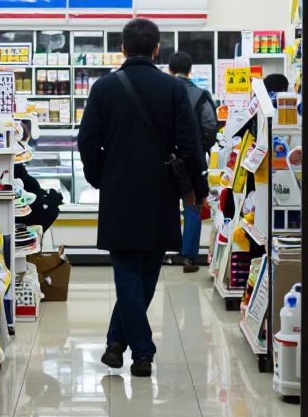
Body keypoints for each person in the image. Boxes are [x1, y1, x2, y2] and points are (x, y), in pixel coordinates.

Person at [77, 19, 210, 377]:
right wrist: (199, 187)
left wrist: (101, 177)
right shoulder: (172, 88)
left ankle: (118, 342)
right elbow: (190, 145)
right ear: (156, 50)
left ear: (122, 48)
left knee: (126, 272)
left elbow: (86, 141)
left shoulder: (104, 88)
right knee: (149, 269)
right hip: (160, 192)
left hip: (119, 192)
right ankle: (143, 351)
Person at [167, 51, 218, 273]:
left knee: (165, 205)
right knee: (193, 205)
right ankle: (188, 257)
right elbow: (210, 126)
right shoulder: (201, 95)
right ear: (190, 71)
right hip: (193, 159)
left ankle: (166, 249)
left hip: (165, 159)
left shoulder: (162, 92)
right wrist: (203, 147)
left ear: (170, 70)